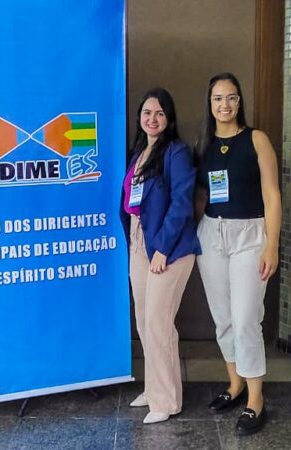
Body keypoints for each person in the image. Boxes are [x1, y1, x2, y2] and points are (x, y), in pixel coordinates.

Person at [194, 72, 282, 436]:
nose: (225, 105)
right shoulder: (202, 144)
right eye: (218, 98)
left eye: (231, 97)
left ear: (239, 100)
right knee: (224, 318)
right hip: (212, 235)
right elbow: (197, 195)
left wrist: (272, 244)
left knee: (247, 318)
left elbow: (272, 195)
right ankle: (235, 384)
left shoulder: (256, 139)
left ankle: (256, 399)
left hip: (250, 235)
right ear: (210, 103)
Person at [121, 88, 201, 424]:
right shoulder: (139, 151)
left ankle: (167, 400)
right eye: (147, 112)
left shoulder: (177, 152)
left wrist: (163, 249)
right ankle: (154, 389)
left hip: (169, 248)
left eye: (159, 113)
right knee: (143, 321)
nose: (152, 119)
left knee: (158, 322)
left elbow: (182, 203)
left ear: (169, 119)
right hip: (139, 243)